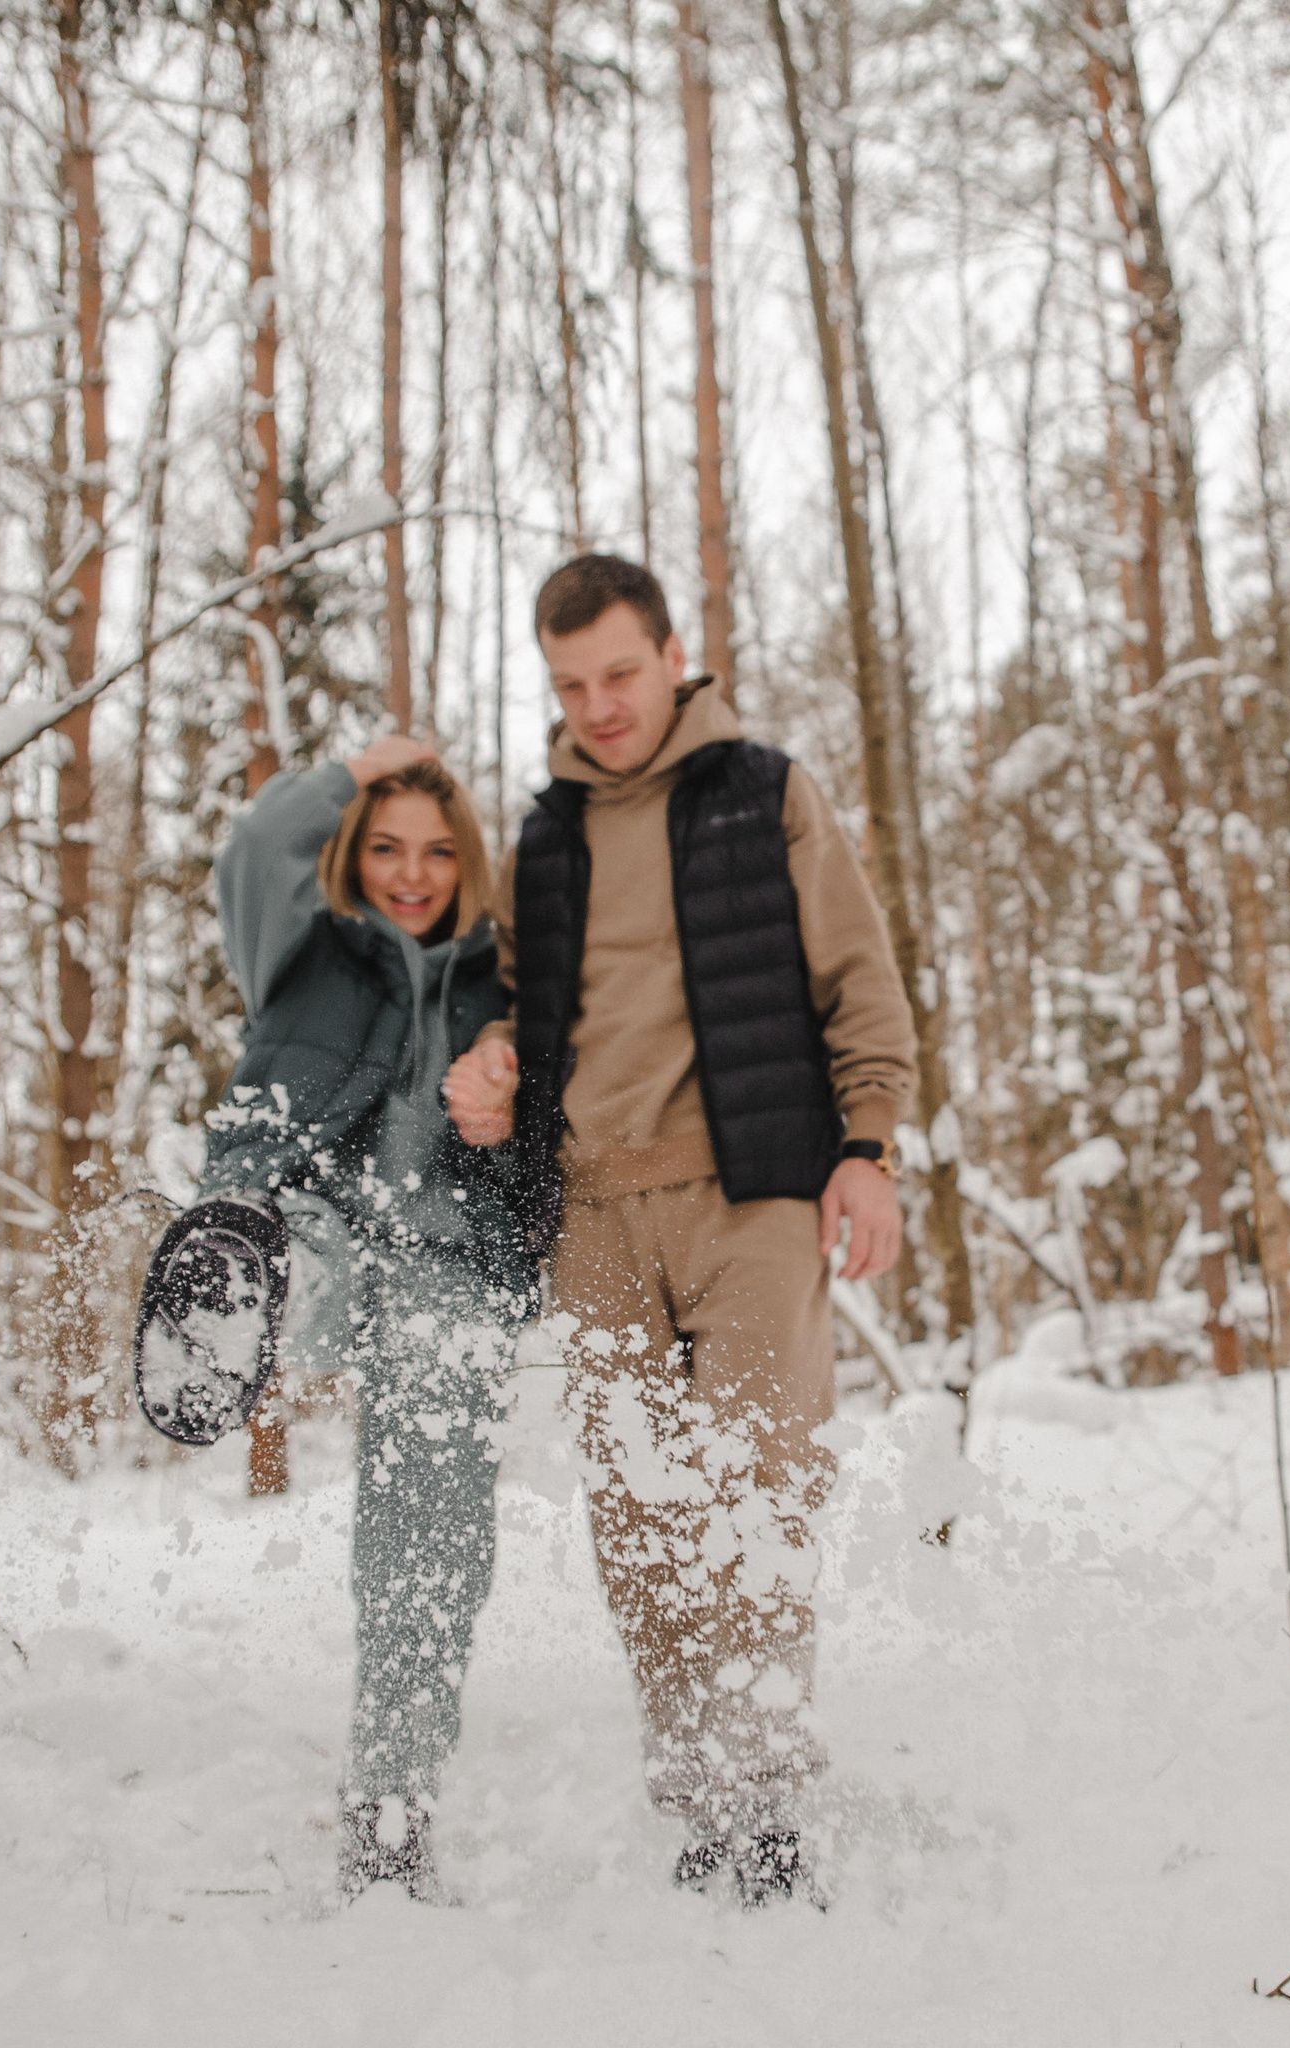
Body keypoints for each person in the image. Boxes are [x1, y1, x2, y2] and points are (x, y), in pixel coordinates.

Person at [444, 554, 915, 1909]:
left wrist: (869, 1148)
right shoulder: (543, 837)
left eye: (620, 674)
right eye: (571, 684)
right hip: (593, 1214)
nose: (598, 706)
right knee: (643, 1529)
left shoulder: (762, 792)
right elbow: (524, 1006)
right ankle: (701, 1811)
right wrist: (490, 1061)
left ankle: (767, 1815)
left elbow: (857, 975)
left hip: (750, 1195)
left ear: (673, 657)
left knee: (759, 1507)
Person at [188, 735, 527, 1903]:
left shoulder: (500, 977)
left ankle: (392, 1807)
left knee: (428, 1535)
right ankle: (212, 1274)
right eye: (384, 846)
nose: (411, 873)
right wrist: (347, 768)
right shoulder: (304, 946)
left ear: (466, 859)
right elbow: (251, 844)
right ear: (351, 851)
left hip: (443, 1257)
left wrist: (507, 1063)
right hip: (310, 1222)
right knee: (261, 1222)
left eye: (436, 850)